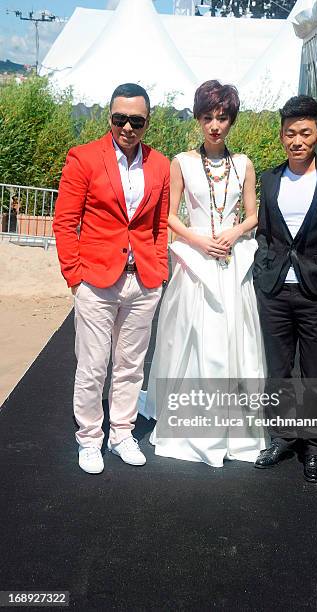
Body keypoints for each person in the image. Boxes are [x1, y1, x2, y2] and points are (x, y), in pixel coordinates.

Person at [143, 80, 265, 467]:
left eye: (223, 118)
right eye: (209, 117)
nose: (215, 125)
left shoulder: (243, 163)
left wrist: (234, 232)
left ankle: (234, 428)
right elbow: (169, 215)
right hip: (195, 264)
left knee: (233, 340)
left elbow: (253, 214)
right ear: (198, 118)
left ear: (232, 121)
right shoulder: (182, 162)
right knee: (189, 339)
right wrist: (197, 241)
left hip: (230, 263)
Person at [53, 83, 170, 474]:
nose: (127, 127)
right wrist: (74, 276)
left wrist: (159, 271)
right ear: (109, 117)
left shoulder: (160, 165)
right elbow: (65, 222)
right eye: (120, 118)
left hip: (143, 282)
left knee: (131, 365)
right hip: (96, 281)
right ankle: (89, 437)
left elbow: (159, 224)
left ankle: (122, 432)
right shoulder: (84, 158)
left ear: (147, 122)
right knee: (92, 365)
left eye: (136, 120)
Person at [253, 95, 317, 482]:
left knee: (315, 374)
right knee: (277, 372)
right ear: (282, 136)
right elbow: (265, 234)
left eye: (304, 133)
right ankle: (281, 438)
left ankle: (315, 449)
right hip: (276, 292)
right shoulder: (269, 179)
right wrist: (264, 274)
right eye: (289, 133)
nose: (297, 140)